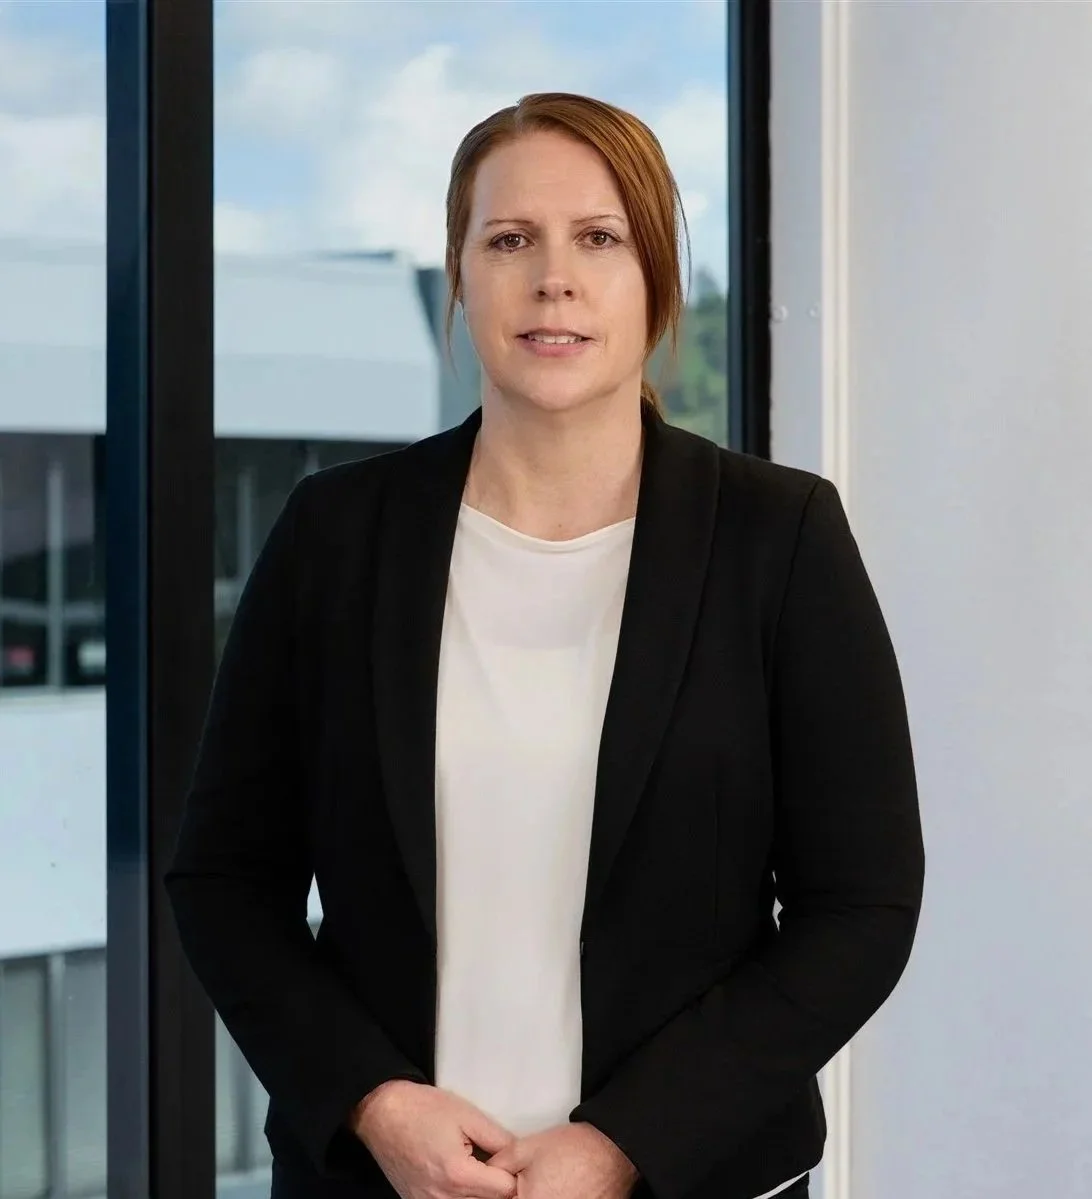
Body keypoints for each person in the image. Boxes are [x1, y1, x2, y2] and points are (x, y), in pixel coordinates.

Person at [165, 92, 925, 1199]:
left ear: (655, 278)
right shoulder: (336, 535)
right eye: (510, 239)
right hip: (385, 1179)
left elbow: (861, 904)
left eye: (599, 238)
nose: (552, 277)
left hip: (693, 1177)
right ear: (460, 277)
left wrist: (626, 1142)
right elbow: (226, 877)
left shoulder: (780, 537)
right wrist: (374, 1101)